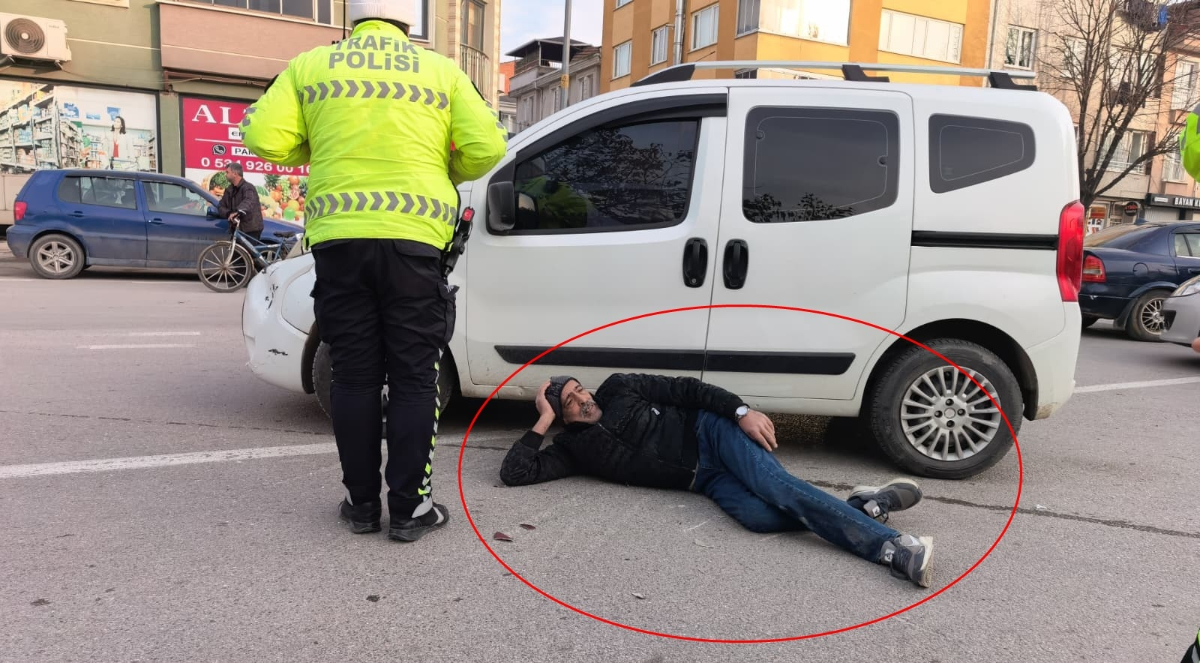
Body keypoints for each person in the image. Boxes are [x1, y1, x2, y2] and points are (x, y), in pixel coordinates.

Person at [238, 0, 507, 542]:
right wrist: (440, 163)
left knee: (354, 376)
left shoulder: (311, 66)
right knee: (414, 377)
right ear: (410, 21)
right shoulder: (441, 71)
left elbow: (263, 137)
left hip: (340, 243)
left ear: (354, 16)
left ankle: (360, 505)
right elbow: (487, 148)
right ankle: (411, 509)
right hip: (415, 245)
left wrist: (318, 147)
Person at [500, 374, 935, 588]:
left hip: (712, 433)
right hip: (704, 480)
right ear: (561, 415)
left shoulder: (618, 388)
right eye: (569, 401)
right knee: (761, 518)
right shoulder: (573, 450)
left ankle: (893, 548)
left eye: (580, 390)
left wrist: (740, 412)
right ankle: (863, 507)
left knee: (776, 487)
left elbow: (689, 391)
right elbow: (515, 473)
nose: (583, 398)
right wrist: (542, 420)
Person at [215, 163, 264, 241]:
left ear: (235, 174)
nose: (225, 175)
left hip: (251, 229)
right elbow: (221, 206)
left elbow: (249, 201)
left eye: (227, 172)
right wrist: (228, 213)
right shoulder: (229, 190)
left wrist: (237, 212)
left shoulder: (248, 187)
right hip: (236, 229)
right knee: (234, 249)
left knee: (248, 249)